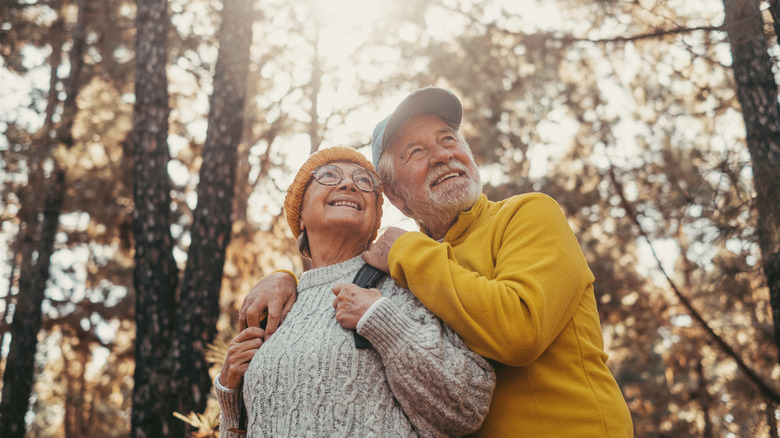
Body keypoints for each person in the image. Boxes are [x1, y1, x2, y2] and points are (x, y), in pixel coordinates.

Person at [241, 87, 635, 436]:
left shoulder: (527, 215)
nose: (443, 154)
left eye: (448, 139)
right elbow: (333, 270)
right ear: (395, 196)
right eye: (416, 151)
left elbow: (520, 331)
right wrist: (285, 278)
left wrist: (406, 251)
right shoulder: (396, 270)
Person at [215, 146, 495, 437]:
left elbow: (467, 408)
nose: (348, 184)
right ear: (300, 216)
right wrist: (230, 398)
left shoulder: (403, 286)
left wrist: (383, 321)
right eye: (328, 176)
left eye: (364, 182)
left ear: (374, 221)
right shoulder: (276, 308)